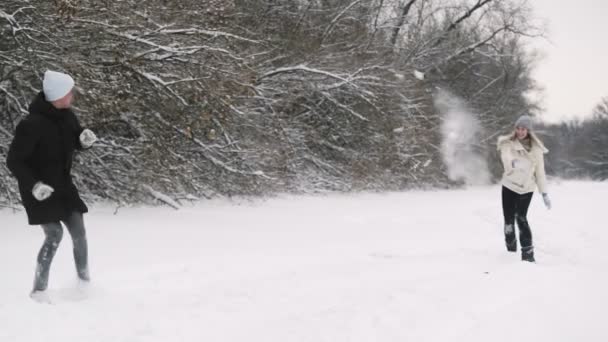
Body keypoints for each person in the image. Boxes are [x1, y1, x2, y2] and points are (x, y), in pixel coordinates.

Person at [6, 70, 98, 301]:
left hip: (64, 186)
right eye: (69, 92)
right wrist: (34, 185)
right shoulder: (31, 125)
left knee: (78, 230)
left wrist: (83, 140)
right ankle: (39, 291)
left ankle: (84, 284)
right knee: (54, 234)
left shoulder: (68, 116)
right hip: (39, 190)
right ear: (57, 95)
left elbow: (75, 139)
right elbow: (14, 160)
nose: (72, 96)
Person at [497, 115, 551, 262]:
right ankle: (510, 251)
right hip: (509, 185)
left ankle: (528, 255)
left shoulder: (537, 149)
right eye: (518, 128)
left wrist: (544, 192)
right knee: (508, 220)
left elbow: (540, 171)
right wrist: (513, 164)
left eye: (524, 129)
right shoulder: (508, 143)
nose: (520, 131)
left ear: (528, 130)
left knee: (521, 218)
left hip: (527, 188)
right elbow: (506, 159)